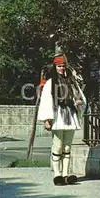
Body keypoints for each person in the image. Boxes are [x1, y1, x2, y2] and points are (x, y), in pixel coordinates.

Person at [38, 55, 87, 186]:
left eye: (63, 66)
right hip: (58, 114)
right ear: (55, 67)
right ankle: (57, 174)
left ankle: (65, 174)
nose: (61, 68)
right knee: (58, 145)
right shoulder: (51, 82)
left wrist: (79, 102)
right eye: (59, 66)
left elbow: (80, 96)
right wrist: (47, 119)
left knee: (67, 146)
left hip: (70, 114)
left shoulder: (72, 81)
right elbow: (46, 101)